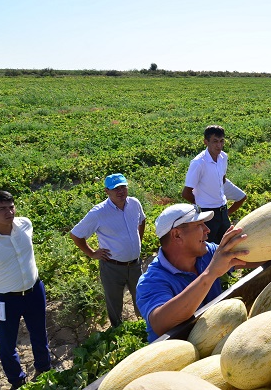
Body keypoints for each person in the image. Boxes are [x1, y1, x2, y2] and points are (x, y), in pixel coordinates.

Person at [136, 203, 258, 342]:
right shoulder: (151, 281)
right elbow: (161, 324)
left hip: (214, 339)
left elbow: (252, 257)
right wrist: (210, 273)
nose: (207, 230)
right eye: (199, 225)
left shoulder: (208, 252)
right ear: (177, 235)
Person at [70, 173, 146, 327]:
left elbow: (142, 220)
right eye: (115, 188)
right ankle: (118, 332)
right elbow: (76, 234)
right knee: (114, 302)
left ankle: (145, 326)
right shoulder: (98, 213)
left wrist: (138, 240)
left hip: (135, 264)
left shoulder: (134, 203)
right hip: (112, 267)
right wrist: (92, 253)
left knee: (142, 297)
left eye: (123, 187)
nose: (120, 191)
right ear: (107, 191)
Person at [0, 191, 52, 389]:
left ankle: (44, 369)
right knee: (7, 344)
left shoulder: (25, 224)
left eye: (11, 207)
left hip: (34, 291)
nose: (9, 212)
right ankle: (17, 381)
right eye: (2, 209)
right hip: (4, 299)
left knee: (39, 334)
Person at [181, 125, 246, 244]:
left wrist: (224, 210)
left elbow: (222, 179)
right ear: (206, 142)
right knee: (209, 247)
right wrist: (202, 203)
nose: (219, 145)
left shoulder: (223, 157)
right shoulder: (199, 163)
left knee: (226, 244)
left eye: (221, 141)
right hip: (207, 214)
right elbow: (186, 193)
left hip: (222, 210)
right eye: (215, 141)